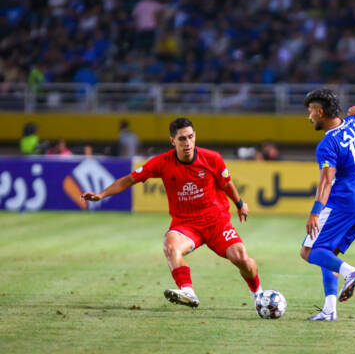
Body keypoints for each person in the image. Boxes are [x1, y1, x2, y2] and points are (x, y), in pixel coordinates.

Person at [81, 117, 262, 309]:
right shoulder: (162, 162)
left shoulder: (212, 158)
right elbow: (129, 180)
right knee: (170, 245)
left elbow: (226, 183)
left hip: (217, 222)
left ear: (195, 136)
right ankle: (188, 292)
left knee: (241, 258)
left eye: (190, 137)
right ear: (172, 141)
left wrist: (240, 204)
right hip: (186, 225)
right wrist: (101, 194)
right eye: (182, 139)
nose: (187, 143)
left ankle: (258, 294)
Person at [299, 88, 355, 321]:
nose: (309, 117)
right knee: (329, 252)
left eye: (311, 111)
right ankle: (330, 309)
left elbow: (326, 181)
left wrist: (315, 213)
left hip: (344, 203)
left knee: (310, 252)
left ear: (321, 112)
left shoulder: (327, 144)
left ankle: (351, 272)